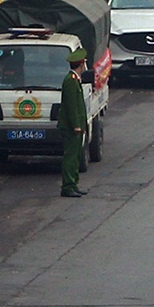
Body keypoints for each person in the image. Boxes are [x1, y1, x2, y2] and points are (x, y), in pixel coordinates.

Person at [58, 45, 88, 198]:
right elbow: (70, 106)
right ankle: (68, 186)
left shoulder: (75, 80)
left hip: (77, 126)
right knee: (70, 157)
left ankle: (73, 184)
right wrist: (76, 125)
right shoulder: (70, 81)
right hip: (71, 127)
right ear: (81, 64)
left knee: (76, 156)